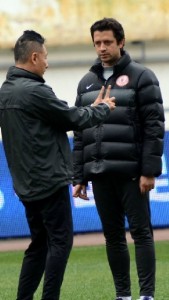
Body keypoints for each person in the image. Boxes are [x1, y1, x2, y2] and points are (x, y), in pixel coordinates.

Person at [0, 30, 116, 300]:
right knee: (60, 242)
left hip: (25, 182)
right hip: (48, 180)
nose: (48, 63)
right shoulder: (34, 91)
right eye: (46, 58)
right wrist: (102, 109)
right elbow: (71, 118)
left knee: (39, 244)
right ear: (34, 56)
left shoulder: (6, 91)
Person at [73, 18, 165, 300]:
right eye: (97, 43)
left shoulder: (142, 77)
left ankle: (146, 294)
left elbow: (154, 127)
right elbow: (80, 133)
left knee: (141, 233)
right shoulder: (86, 83)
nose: (101, 48)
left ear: (121, 42)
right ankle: (122, 294)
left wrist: (149, 171)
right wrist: (79, 176)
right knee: (112, 237)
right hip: (100, 173)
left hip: (132, 173)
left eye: (107, 42)